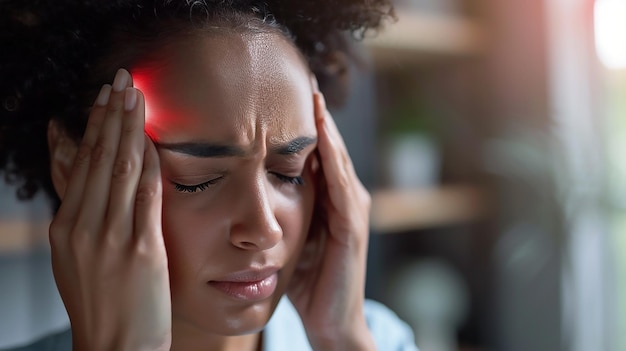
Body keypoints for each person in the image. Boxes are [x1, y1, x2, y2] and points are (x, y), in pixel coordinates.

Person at [0, 1, 418, 350]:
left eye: (289, 173)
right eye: (197, 179)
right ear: (71, 162)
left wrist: (341, 340)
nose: (264, 229)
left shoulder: (378, 340)